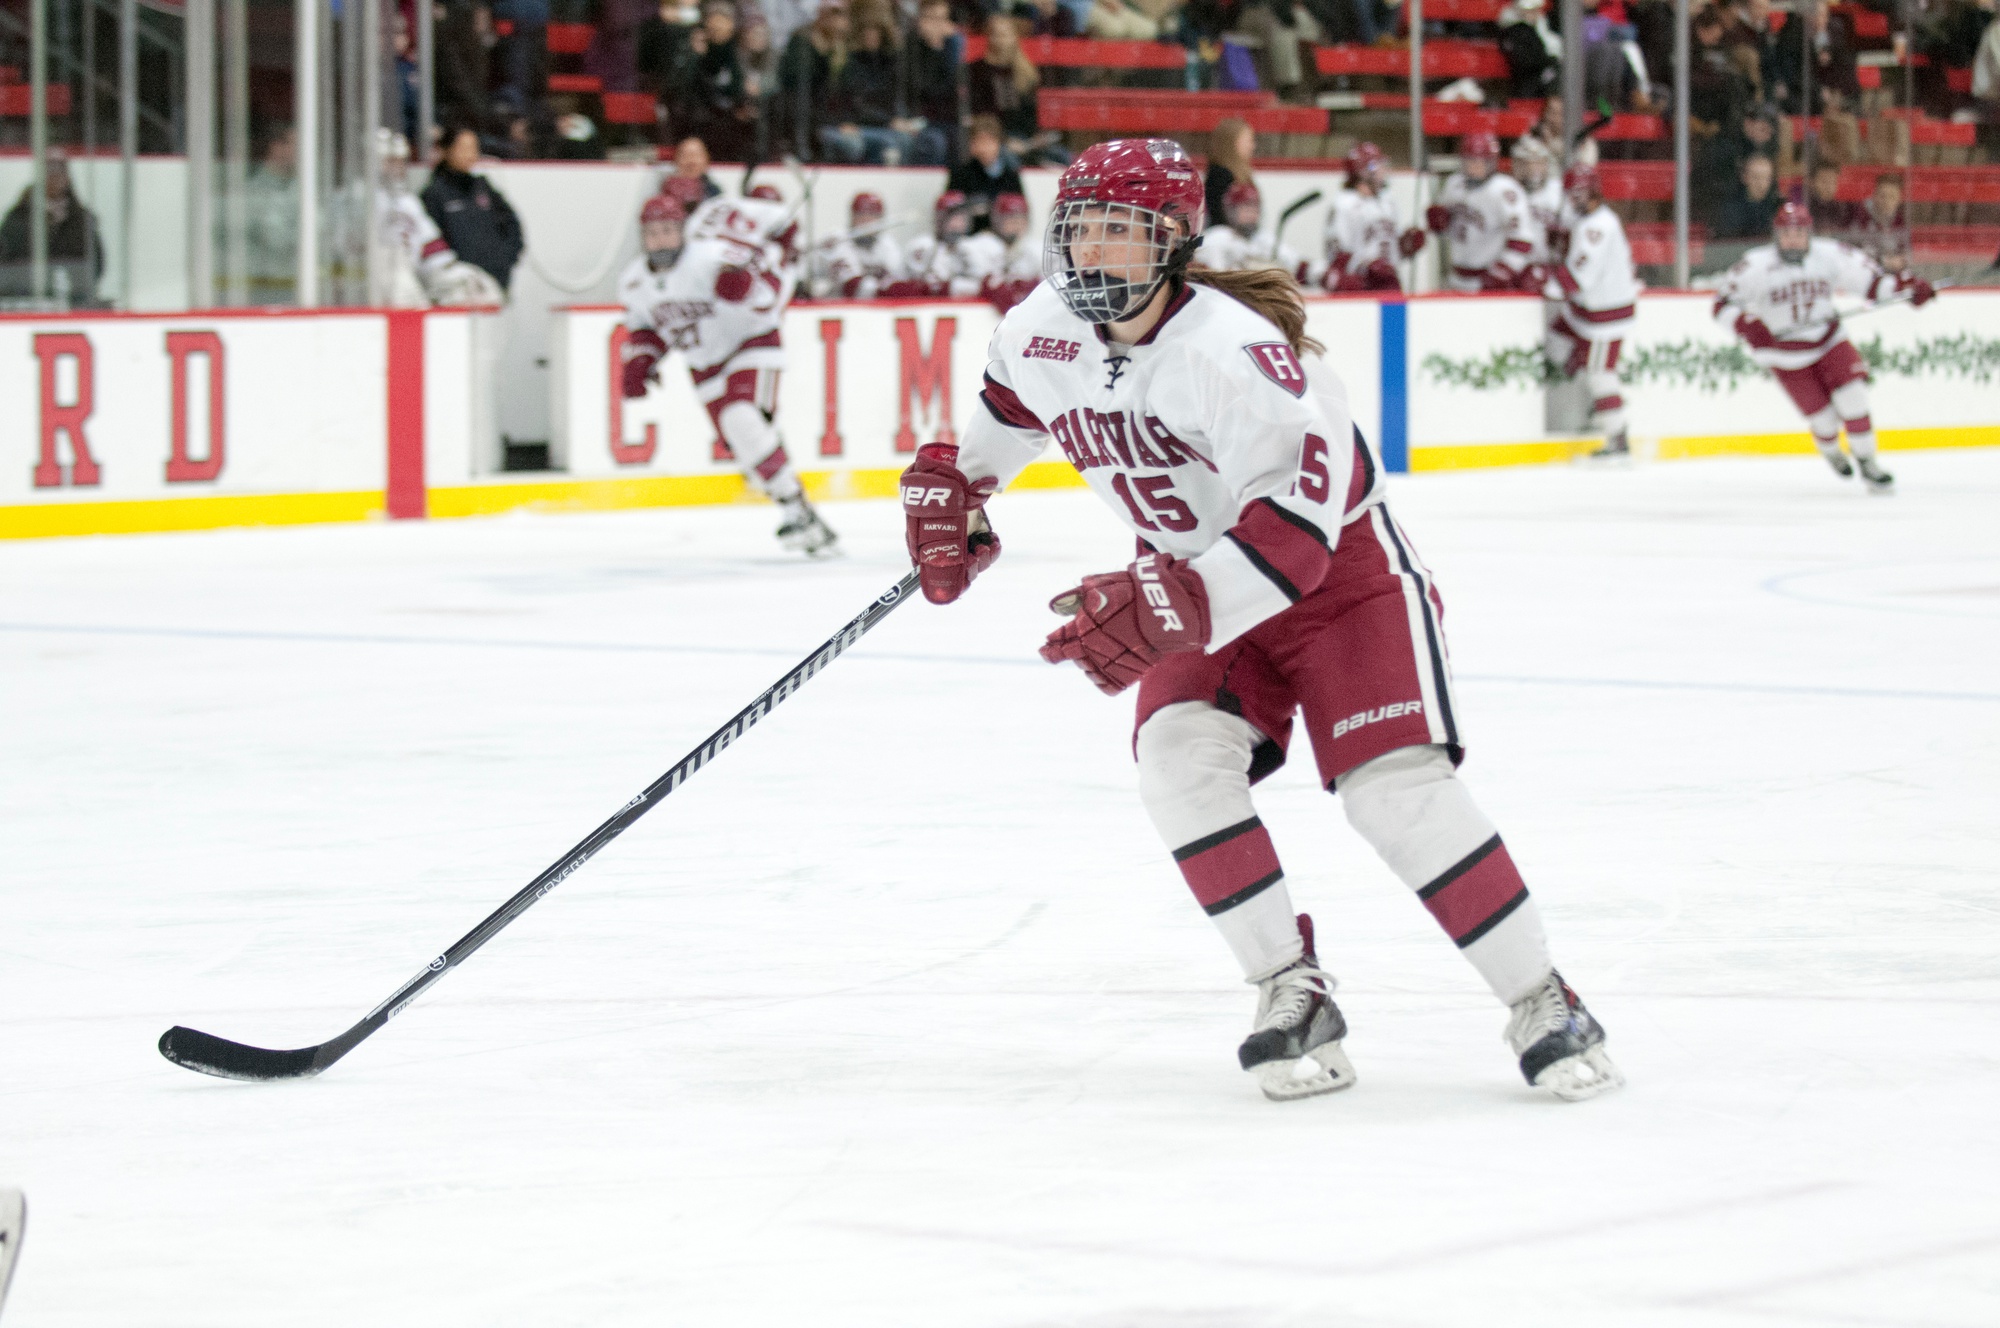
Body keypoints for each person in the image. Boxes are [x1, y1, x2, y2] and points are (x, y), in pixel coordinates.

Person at [896, 138, 1623, 1104]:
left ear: (1175, 244)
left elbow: (1294, 543)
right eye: (1079, 232)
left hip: (1341, 587)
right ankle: (1291, 988)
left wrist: (1166, 606)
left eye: (1121, 233)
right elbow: (1009, 417)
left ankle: (1544, 997)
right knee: (1178, 762)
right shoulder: (1041, 329)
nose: (1092, 256)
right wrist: (961, 491)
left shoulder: (1238, 355)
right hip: (1195, 583)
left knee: (1391, 791)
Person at [619, 191, 839, 552]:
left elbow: (770, 288)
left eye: (668, 229)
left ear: (681, 230)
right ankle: (795, 510)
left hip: (751, 341)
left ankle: (797, 508)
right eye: (653, 231)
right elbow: (646, 326)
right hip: (703, 365)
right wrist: (642, 359)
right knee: (745, 445)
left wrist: (745, 285)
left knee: (742, 420)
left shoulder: (711, 254)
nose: (661, 238)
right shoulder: (632, 281)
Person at [1714, 201, 1935, 491]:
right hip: (1784, 354)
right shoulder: (1755, 265)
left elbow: (1871, 282)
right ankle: (1831, 450)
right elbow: (1722, 304)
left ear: (1809, 232)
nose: (1793, 238)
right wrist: (1747, 325)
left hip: (1829, 340)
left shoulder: (1830, 254)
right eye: (1786, 232)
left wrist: (1905, 288)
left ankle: (1868, 464)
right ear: (1776, 234)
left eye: (1799, 232)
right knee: (1825, 421)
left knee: (1854, 397)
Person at [1544, 164, 1639, 459]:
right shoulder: (1587, 219)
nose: (1573, 200)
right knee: (1557, 337)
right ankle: (1577, 381)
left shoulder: (1599, 227)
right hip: (1586, 310)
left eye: (1578, 194)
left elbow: (1577, 279)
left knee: (1599, 373)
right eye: (1571, 194)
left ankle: (1617, 436)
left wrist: (1551, 272)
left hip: (1604, 315)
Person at [379, 129, 507, 306]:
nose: (397, 167)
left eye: (401, 161)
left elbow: (431, 248)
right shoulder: (358, 201)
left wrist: (455, 273)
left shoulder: (408, 202)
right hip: (376, 284)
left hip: (409, 282)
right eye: (390, 161)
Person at [422, 125, 526, 293]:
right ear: (447, 150)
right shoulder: (435, 194)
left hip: (496, 281)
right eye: (462, 148)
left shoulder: (483, 187)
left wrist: (505, 260)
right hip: (458, 287)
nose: (469, 154)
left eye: (473, 148)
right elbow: (430, 241)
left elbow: (512, 224)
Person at [1427, 132, 1532, 292]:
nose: (1474, 166)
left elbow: (1522, 240)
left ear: (1491, 162)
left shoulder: (1505, 190)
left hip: (1488, 279)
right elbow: (1443, 225)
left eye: (1480, 161)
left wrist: (1504, 270)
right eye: (1469, 160)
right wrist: (1438, 223)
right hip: (1455, 277)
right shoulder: (1454, 184)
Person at [0, 150, 105, 303]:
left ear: (68, 178)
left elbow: (96, 264)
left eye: (60, 172)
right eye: (50, 172)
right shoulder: (18, 217)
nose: (55, 178)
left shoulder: (81, 220)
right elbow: (5, 261)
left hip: (72, 300)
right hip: (25, 299)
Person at [1321, 142, 1425, 293]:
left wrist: (1406, 245)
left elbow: (1388, 247)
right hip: (1360, 287)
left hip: (1391, 284)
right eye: (1377, 166)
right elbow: (1337, 255)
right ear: (1363, 172)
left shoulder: (1387, 201)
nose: (1383, 170)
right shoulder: (1344, 205)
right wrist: (1366, 268)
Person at [821, 8, 909, 163]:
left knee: (902, 140)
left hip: (872, 122)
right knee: (857, 144)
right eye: (867, 32)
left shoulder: (888, 63)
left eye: (875, 33)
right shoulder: (844, 62)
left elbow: (890, 98)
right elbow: (839, 100)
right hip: (844, 123)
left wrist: (895, 120)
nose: (871, 37)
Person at [675, 1, 756, 161]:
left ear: (731, 26)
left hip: (730, 118)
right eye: (714, 22)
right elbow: (682, 88)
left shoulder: (737, 54)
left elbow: (738, 89)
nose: (718, 27)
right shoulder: (694, 52)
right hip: (700, 118)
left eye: (723, 22)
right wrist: (695, 56)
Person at [1198, 180, 1309, 280]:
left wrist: (1322, 275)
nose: (1252, 213)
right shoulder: (1216, 238)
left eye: (1255, 207)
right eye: (1246, 207)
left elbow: (1299, 267)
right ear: (1231, 211)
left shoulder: (1266, 239)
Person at [888, 189, 985, 295]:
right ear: (940, 218)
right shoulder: (921, 247)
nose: (959, 225)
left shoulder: (970, 247)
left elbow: (982, 282)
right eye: (954, 218)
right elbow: (921, 288)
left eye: (962, 218)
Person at [243, 125, 301, 304]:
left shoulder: (298, 188)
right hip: (264, 290)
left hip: (295, 286)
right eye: (296, 145)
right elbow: (277, 239)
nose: (302, 152)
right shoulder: (255, 191)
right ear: (277, 147)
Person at [902, 0, 963, 166]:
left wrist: (947, 48)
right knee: (936, 142)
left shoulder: (950, 47)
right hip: (918, 117)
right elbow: (921, 88)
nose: (937, 26)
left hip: (946, 119)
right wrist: (934, 48)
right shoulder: (909, 48)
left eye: (941, 19)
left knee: (963, 141)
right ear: (920, 20)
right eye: (931, 18)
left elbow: (953, 88)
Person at [946, 116, 1027, 233]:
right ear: (972, 144)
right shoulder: (961, 173)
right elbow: (950, 211)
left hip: (1004, 240)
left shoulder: (1010, 175)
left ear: (999, 143)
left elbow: (1020, 211)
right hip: (969, 240)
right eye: (980, 141)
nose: (985, 147)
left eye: (989, 141)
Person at [963, 191, 1043, 308]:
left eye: (1021, 218)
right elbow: (974, 285)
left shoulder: (1035, 249)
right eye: (1010, 218)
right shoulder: (978, 245)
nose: (1017, 223)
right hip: (983, 313)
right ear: (997, 219)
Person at [821, 190, 905, 297]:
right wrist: (887, 289)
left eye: (873, 215)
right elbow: (853, 287)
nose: (866, 221)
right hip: (838, 308)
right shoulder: (836, 242)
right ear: (852, 217)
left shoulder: (888, 245)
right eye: (861, 214)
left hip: (875, 309)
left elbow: (896, 282)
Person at [1511, 135, 1563, 276]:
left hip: (1553, 267)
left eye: (1538, 163)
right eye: (1527, 163)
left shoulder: (1558, 191)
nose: (1533, 169)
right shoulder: (1507, 191)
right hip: (1516, 268)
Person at [1850, 172, 1910, 274]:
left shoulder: (1900, 220)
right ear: (1874, 195)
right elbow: (1855, 251)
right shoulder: (1860, 216)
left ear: (1899, 199)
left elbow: (1905, 250)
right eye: (1883, 196)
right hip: (1864, 273)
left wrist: (1902, 260)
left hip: (1892, 274)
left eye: (1892, 196)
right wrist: (1883, 261)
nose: (1887, 201)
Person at [1714, 151, 1781, 238]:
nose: (1761, 184)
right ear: (1744, 177)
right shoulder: (1731, 209)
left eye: (1767, 178)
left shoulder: (1777, 207)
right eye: (1756, 177)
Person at [1205, 118, 1255, 232]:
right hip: (1224, 234)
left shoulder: (1243, 175)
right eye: (1249, 140)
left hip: (1244, 233)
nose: (1252, 146)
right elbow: (1217, 215)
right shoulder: (1219, 175)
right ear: (1232, 142)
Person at [664, 136, 725, 203]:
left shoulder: (713, 191)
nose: (691, 161)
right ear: (676, 160)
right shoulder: (668, 190)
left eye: (696, 155)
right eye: (685, 155)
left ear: (706, 159)